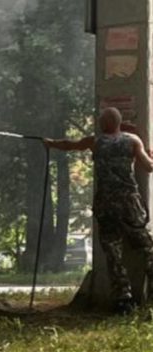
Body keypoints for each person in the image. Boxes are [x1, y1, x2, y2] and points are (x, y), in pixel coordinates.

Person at [45, 107, 153, 313]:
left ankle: (123, 299)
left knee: (113, 252)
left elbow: (69, 145)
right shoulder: (132, 140)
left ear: (103, 124)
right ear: (119, 123)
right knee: (146, 247)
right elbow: (148, 167)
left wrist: (50, 143)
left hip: (106, 204)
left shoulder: (95, 142)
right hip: (129, 203)